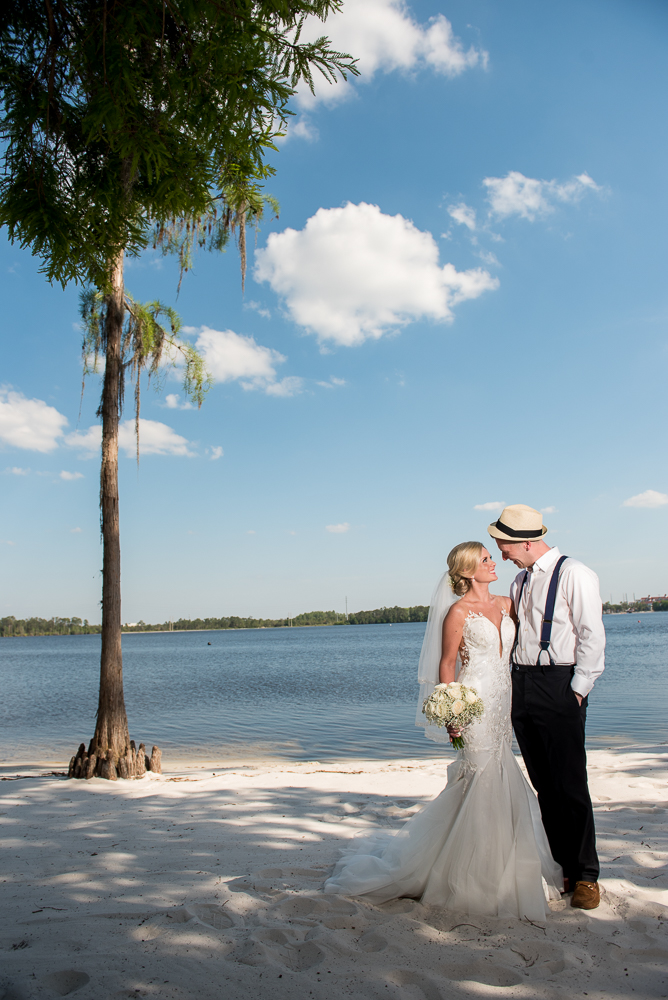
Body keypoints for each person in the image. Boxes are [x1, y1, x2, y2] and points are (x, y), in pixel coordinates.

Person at [324, 541, 562, 919]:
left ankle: (510, 869)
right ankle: (472, 877)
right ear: (468, 571)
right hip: (475, 703)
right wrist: (454, 713)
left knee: (501, 773)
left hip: (504, 704)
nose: (492, 562)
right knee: (481, 777)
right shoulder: (458, 612)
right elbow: (447, 666)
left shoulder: (506, 603)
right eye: (485, 559)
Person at [488, 504, 605, 911]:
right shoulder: (520, 581)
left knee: (571, 782)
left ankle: (587, 875)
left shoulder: (575, 573)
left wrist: (577, 689)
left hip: (560, 684)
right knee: (544, 785)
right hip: (522, 685)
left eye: (503, 545)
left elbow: (592, 635)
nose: (501, 554)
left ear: (525, 542)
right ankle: (564, 867)